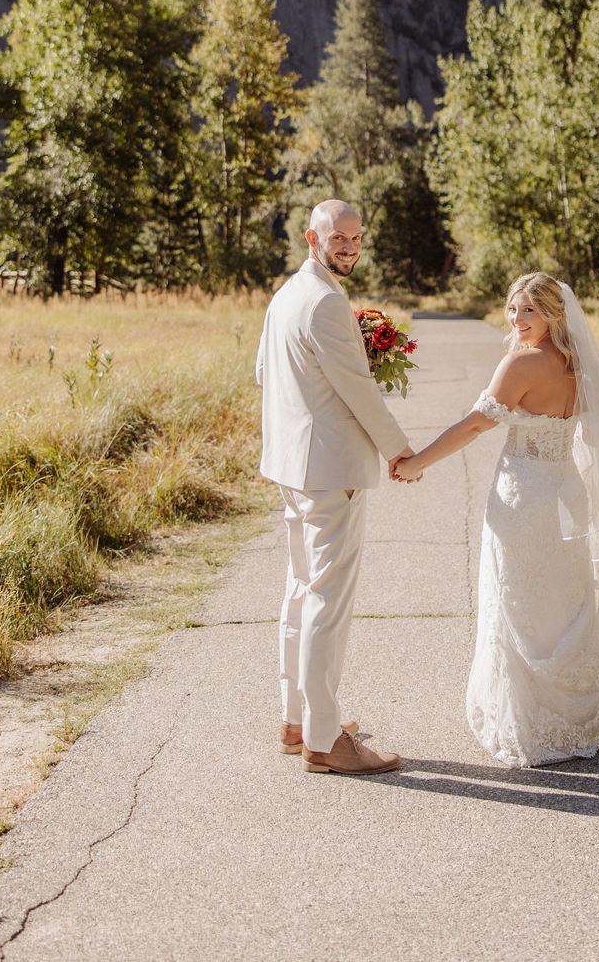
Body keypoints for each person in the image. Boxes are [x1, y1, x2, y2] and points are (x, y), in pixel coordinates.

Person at [394, 272, 599, 768]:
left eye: (529, 311)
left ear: (553, 314)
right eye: (513, 308)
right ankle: (578, 710)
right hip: (566, 492)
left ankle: (529, 719)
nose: (517, 320)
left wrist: (417, 463)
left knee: (520, 598)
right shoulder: (575, 362)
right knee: (563, 596)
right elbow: (593, 432)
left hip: (523, 497)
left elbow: (477, 424)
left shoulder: (521, 362)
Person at [256, 198, 416, 775]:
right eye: (338, 237)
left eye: (356, 237)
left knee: (302, 591)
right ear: (311, 237)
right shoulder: (323, 302)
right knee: (326, 600)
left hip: (293, 468)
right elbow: (359, 392)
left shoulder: (285, 297)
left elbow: (263, 374)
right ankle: (324, 742)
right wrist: (401, 450)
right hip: (328, 472)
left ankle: (297, 720)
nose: (349, 246)